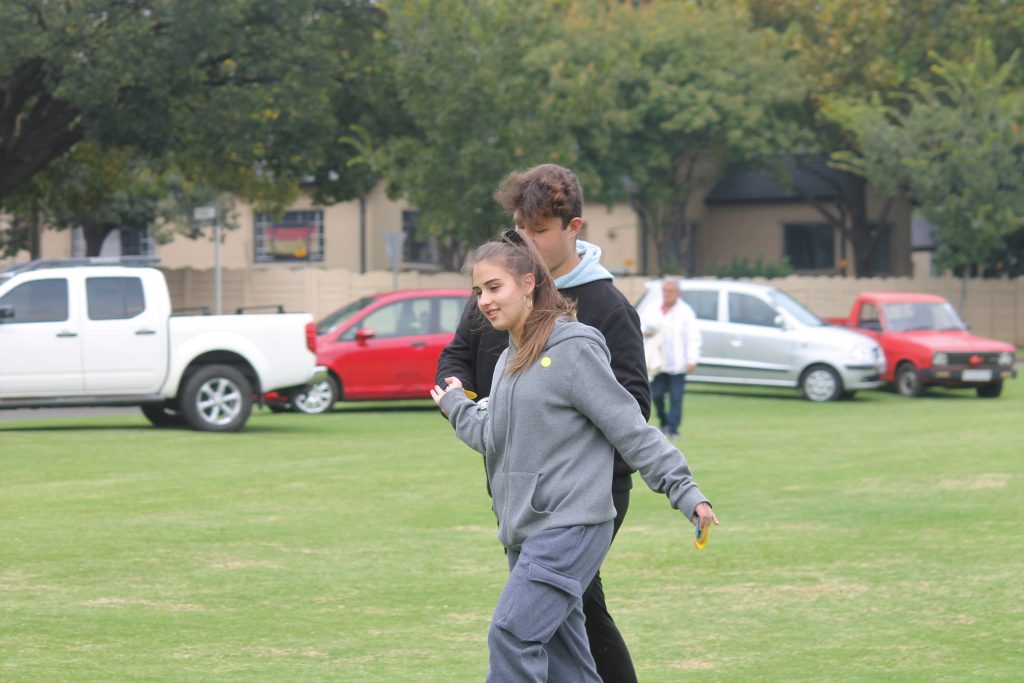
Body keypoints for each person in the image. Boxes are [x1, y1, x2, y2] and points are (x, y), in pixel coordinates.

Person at [431, 235, 718, 683]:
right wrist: (456, 406)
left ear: (528, 284)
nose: (483, 301)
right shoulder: (508, 360)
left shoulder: (574, 349)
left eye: (494, 287)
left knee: (512, 635)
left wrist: (685, 490)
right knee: (565, 661)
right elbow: (492, 437)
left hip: (571, 526)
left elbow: (630, 429)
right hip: (525, 529)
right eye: (478, 291)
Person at [436, 163, 649, 682]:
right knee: (562, 621)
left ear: (574, 228)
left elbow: (634, 409)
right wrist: (465, 400)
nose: (525, 240)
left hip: (585, 495)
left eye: (539, 230)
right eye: (519, 228)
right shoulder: (499, 291)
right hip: (518, 486)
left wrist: (561, 445)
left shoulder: (606, 307)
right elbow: (457, 357)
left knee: (558, 614)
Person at [641, 277, 702, 439]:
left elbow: (693, 337)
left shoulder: (686, 312)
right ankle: (664, 421)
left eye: (670, 291)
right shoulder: (652, 308)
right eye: (665, 291)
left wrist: (692, 359)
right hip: (657, 363)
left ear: (677, 293)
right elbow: (640, 327)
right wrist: (646, 331)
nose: (667, 294)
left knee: (676, 398)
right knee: (657, 395)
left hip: (677, 364)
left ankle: (674, 430)